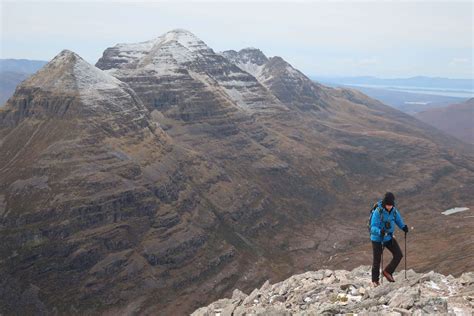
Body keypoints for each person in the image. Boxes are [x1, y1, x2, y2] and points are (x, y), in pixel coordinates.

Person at [370, 192, 408, 286]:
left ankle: (387, 271)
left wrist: (403, 227)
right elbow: (373, 227)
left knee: (398, 255)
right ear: (384, 203)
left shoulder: (394, 211)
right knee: (377, 260)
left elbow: (398, 220)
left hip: (388, 237)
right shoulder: (378, 211)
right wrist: (380, 232)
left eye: (391, 205)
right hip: (377, 239)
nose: (389, 207)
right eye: (388, 205)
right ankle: (375, 281)